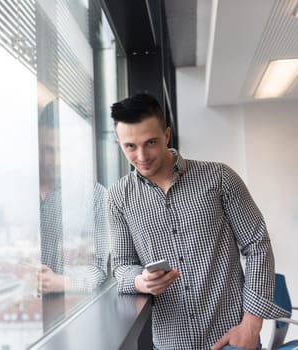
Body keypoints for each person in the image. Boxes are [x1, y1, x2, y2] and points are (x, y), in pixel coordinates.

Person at [108, 93, 289, 350]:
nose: (142, 156)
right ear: (118, 143)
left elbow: (257, 245)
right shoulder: (118, 197)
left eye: (151, 142)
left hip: (232, 339)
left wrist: (251, 325)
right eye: (130, 146)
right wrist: (141, 281)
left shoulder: (220, 178)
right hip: (172, 343)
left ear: (167, 135)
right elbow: (122, 266)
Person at [37, 100, 110, 329]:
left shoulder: (95, 196)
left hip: (75, 316)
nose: (54, 161)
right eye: (47, 150)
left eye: (61, 150)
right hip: (27, 317)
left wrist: (62, 282)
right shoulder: (18, 194)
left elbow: (100, 269)